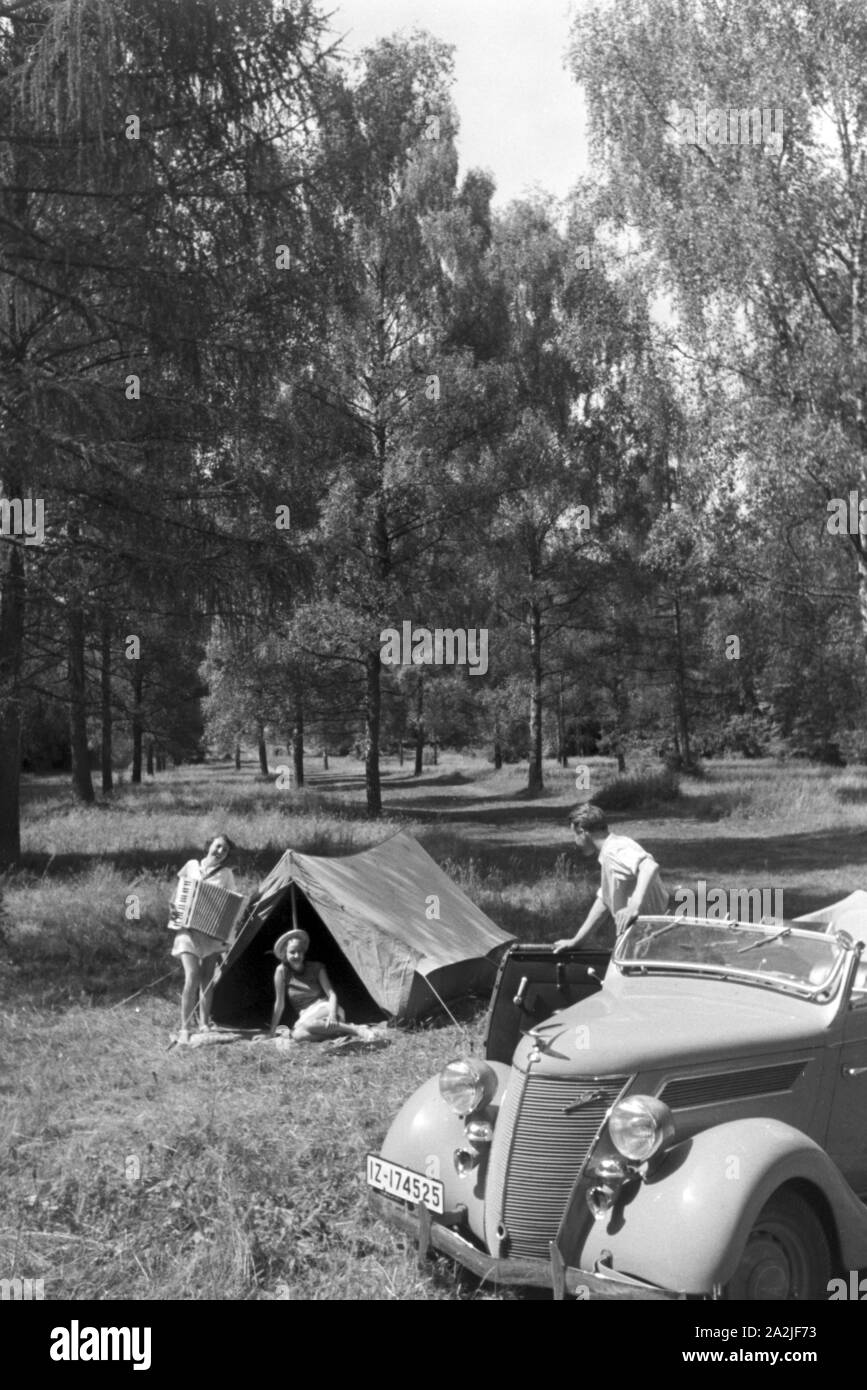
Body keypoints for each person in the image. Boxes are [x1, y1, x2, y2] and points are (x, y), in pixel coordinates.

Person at [554, 804, 670, 952]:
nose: (574, 841)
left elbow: (648, 866)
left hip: (652, 939)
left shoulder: (614, 850)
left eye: (574, 835)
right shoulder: (612, 850)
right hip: (641, 936)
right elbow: (605, 900)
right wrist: (577, 941)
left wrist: (634, 905)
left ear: (583, 832)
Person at [169, 833, 239, 1042]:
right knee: (192, 976)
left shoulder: (226, 874)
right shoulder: (191, 866)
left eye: (224, 850)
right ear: (209, 846)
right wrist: (174, 909)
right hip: (188, 931)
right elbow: (176, 895)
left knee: (207, 979)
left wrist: (226, 934)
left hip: (212, 933)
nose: (219, 852)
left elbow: (232, 904)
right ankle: (185, 1026)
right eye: (217, 847)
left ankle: (204, 1023)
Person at [269, 929, 379, 1043]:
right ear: (285, 954)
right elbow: (279, 1003)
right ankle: (340, 1032)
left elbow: (331, 994)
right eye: (292, 952)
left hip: (326, 1008)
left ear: (304, 952)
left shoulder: (317, 968)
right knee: (297, 1035)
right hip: (306, 1016)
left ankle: (357, 1029)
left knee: (308, 1024)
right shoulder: (281, 971)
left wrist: (332, 1014)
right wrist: (272, 1032)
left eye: (300, 951)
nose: (297, 955)